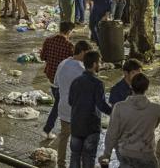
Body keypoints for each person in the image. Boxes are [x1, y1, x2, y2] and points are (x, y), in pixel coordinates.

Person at [100, 73, 160, 168]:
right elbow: (155, 126)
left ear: (131, 87)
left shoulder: (119, 107)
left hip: (126, 155)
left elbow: (112, 133)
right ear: (147, 88)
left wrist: (106, 155)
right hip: (147, 155)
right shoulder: (156, 109)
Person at [68, 51, 112, 168]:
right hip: (91, 127)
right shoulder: (97, 83)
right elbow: (101, 105)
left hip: (76, 125)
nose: (100, 65)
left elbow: (70, 101)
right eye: (99, 62)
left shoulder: (75, 81)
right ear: (94, 64)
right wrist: (114, 112)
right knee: (88, 158)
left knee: (75, 156)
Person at [53, 40, 93, 168]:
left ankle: (61, 164)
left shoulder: (63, 63)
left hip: (64, 107)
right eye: (87, 54)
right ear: (82, 52)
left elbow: (56, 84)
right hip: (78, 111)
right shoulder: (82, 69)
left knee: (64, 136)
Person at [40, 21, 75, 139]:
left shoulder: (48, 41)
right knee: (58, 105)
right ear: (69, 31)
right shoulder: (69, 46)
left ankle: (58, 127)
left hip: (50, 76)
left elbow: (42, 57)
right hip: (62, 80)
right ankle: (47, 129)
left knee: (59, 102)